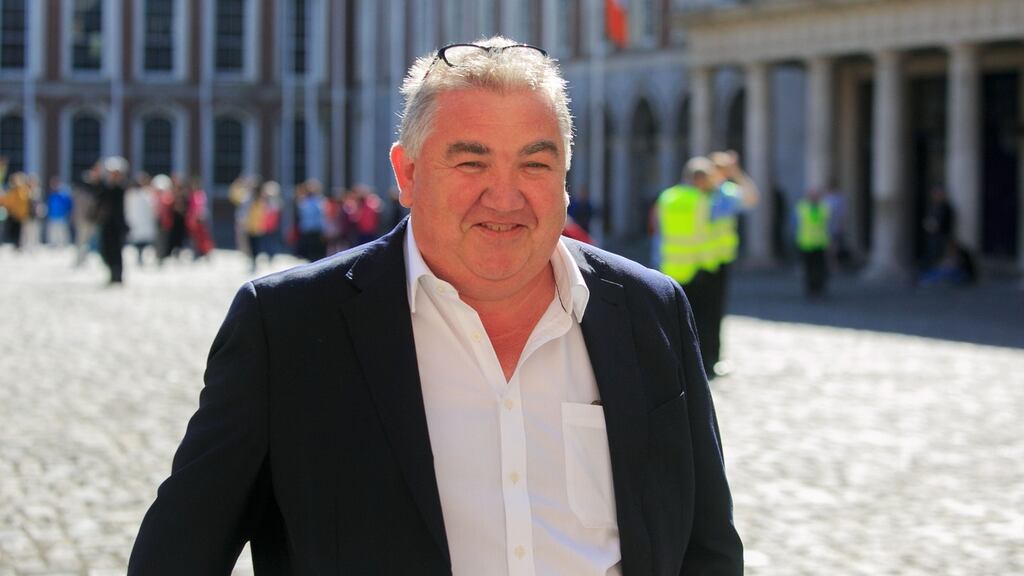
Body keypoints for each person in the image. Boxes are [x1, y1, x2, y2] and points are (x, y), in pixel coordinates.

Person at [129, 36, 742, 575]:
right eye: (471, 161)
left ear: (565, 179)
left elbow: (707, 547)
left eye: (535, 163)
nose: (505, 198)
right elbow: (178, 554)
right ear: (408, 173)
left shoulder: (649, 310)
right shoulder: (288, 327)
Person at [95, 157, 129, 284]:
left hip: (118, 225)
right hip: (107, 224)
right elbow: (99, 199)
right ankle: (111, 274)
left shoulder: (121, 189)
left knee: (117, 252)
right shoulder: (105, 188)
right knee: (106, 251)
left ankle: (117, 276)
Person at [795, 189, 831, 298]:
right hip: (806, 243)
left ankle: (819, 287)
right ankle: (811, 288)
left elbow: (827, 223)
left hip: (820, 243)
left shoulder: (823, 208)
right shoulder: (802, 207)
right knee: (808, 268)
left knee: (820, 268)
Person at [45, 177, 74, 248]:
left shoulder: (64, 195)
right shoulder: (51, 195)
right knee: (52, 233)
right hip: (52, 217)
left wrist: (68, 214)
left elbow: (69, 206)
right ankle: (53, 246)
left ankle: (63, 246)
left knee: (62, 233)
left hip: (62, 218)